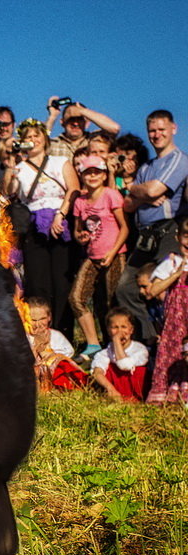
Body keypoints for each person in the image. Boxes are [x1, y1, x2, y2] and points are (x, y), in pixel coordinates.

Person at [3, 119, 80, 338]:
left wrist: (61, 215)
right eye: (28, 137)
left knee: (61, 282)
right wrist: (10, 167)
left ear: (45, 139)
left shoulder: (60, 161)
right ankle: (41, 334)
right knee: (38, 282)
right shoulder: (19, 167)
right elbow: (11, 191)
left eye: (37, 135)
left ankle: (63, 333)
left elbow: (73, 189)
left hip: (59, 222)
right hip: (34, 226)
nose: (33, 140)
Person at [119, 110, 188, 343]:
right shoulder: (147, 167)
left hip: (168, 230)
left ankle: (174, 340)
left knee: (164, 289)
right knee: (126, 289)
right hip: (144, 235)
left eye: (161, 129)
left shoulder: (179, 159)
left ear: (173, 129)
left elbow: (153, 191)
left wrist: (137, 190)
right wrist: (140, 193)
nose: (157, 134)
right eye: (152, 130)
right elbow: (128, 205)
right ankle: (149, 340)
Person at [70, 156, 128, 360]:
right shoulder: (80, 201)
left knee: (114, 302)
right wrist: (81, 237)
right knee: (76, 298)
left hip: (114, 255)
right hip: (92, 255)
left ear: (104, 174)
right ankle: (93, 343)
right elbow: (78, 233)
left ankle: (120, 347)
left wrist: (112, 253)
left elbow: (124, 228)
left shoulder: (111, 195)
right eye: (88, 172)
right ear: (82, 175)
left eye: (96, 172)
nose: (92, 175)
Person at [145, 219, 188, 403]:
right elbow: (152, 291)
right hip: (175, 325)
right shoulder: (170, 263)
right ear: (178, 237)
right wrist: (177, 274)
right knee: (173, 354)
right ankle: (171, 395)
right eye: (186, 236)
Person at [25, 296, 88, 391]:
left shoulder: (55, 335)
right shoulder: (23, 336)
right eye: (33, 320)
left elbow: (68, 353)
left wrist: (49, 353)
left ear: (49, 317)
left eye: (42, 319)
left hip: (53, 373)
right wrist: (37, 347)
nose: (38, 324)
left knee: (59, 361)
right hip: (31, 374)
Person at [91, 308, 149, 401]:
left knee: (140, 371)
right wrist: (111, 389)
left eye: (124, 327)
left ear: (131, 330)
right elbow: (97, 372)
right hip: (115, 391)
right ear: (109, 331)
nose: (119, 332)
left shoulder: (140, 350)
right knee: (108, 369)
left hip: (135, 390)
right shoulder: (105, 353)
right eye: (115, 327)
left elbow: (124, 365)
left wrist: (116, 342)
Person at [44, 99, 120, 160]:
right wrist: (52, 117)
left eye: (80, 119)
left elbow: (114, 128)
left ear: (87, 123)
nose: (75, 123)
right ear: (62, 122)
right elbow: (39, 141)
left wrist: (82, 111)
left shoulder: (95, 139)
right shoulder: (53, 144)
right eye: (71, 119)